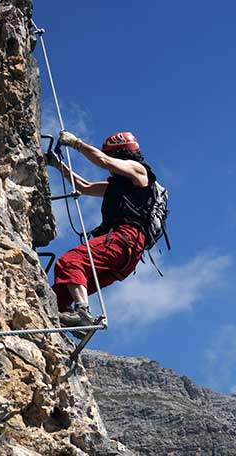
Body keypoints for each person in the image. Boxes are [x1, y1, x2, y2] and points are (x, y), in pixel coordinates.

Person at [46, 130, 156, 332]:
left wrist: (76, 143)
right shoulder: (122, 186)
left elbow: (104, 160)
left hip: (124, 238)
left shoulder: (138, 170)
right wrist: (57, 165)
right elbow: (85, 187)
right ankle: (67, 317)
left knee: (70, 262)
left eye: (114, 156)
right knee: (61, 293)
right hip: (127, 253)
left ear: (121, 154)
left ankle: (82, 313)